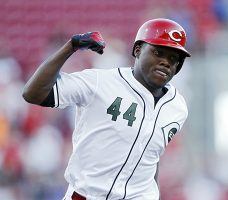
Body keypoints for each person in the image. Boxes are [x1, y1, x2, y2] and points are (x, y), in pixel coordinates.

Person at [22, 18, 191, 200]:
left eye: (173, 58)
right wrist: (71, 47)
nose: (166, 62)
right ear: (137, 50)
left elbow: (151, 155)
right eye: (158, 52)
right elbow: (33, 93)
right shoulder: (100, 82)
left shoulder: (177, 107)